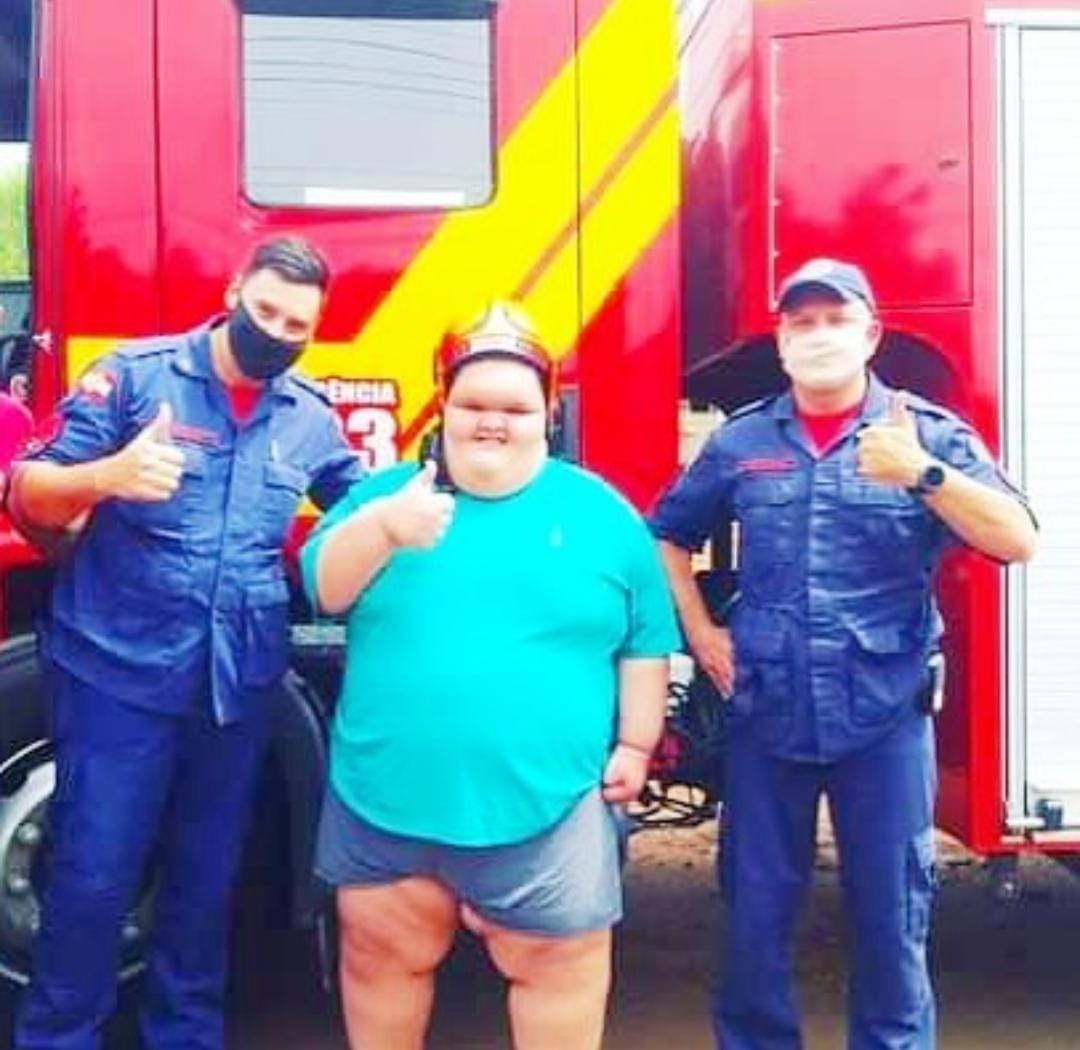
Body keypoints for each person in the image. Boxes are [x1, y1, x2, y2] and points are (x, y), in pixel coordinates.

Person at [650, 258, 1037, 1050]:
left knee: (892, 916)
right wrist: (700, 633)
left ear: (871, 334)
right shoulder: (743, 440)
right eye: (802, 321)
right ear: (783, 339)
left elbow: (1017, 539)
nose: (819, 334)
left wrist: (925, 476)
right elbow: (667, 535)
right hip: (767, 713)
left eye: (835, 319)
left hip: (884, 720)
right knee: (756, 915)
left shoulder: (925, 434)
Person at [10, 236, 362, 1050]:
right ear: (235, 288)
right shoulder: (137, 376)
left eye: (297, 324)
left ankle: (186, 1037)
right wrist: (108, 476)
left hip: (235, 691)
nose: (276, 331)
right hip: (116, 679)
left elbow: (362, 511)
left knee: (205, 890)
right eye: (265, 309)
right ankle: (59, 1037)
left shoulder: (308, 417)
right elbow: (28, 491)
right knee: (92, 881)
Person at [300, 303, 680, 1050]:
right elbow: (325, 589)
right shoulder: (386, 498)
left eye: (516, 406)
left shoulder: (602, 514)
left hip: (549, 804)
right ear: (444, 404)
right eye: (475, 403)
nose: (493, 422)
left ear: (548, 412)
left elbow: (645, 643)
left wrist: (636, 746)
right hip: (384, 800)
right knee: (380, 962)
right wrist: (382, 530)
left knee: (561, 971)